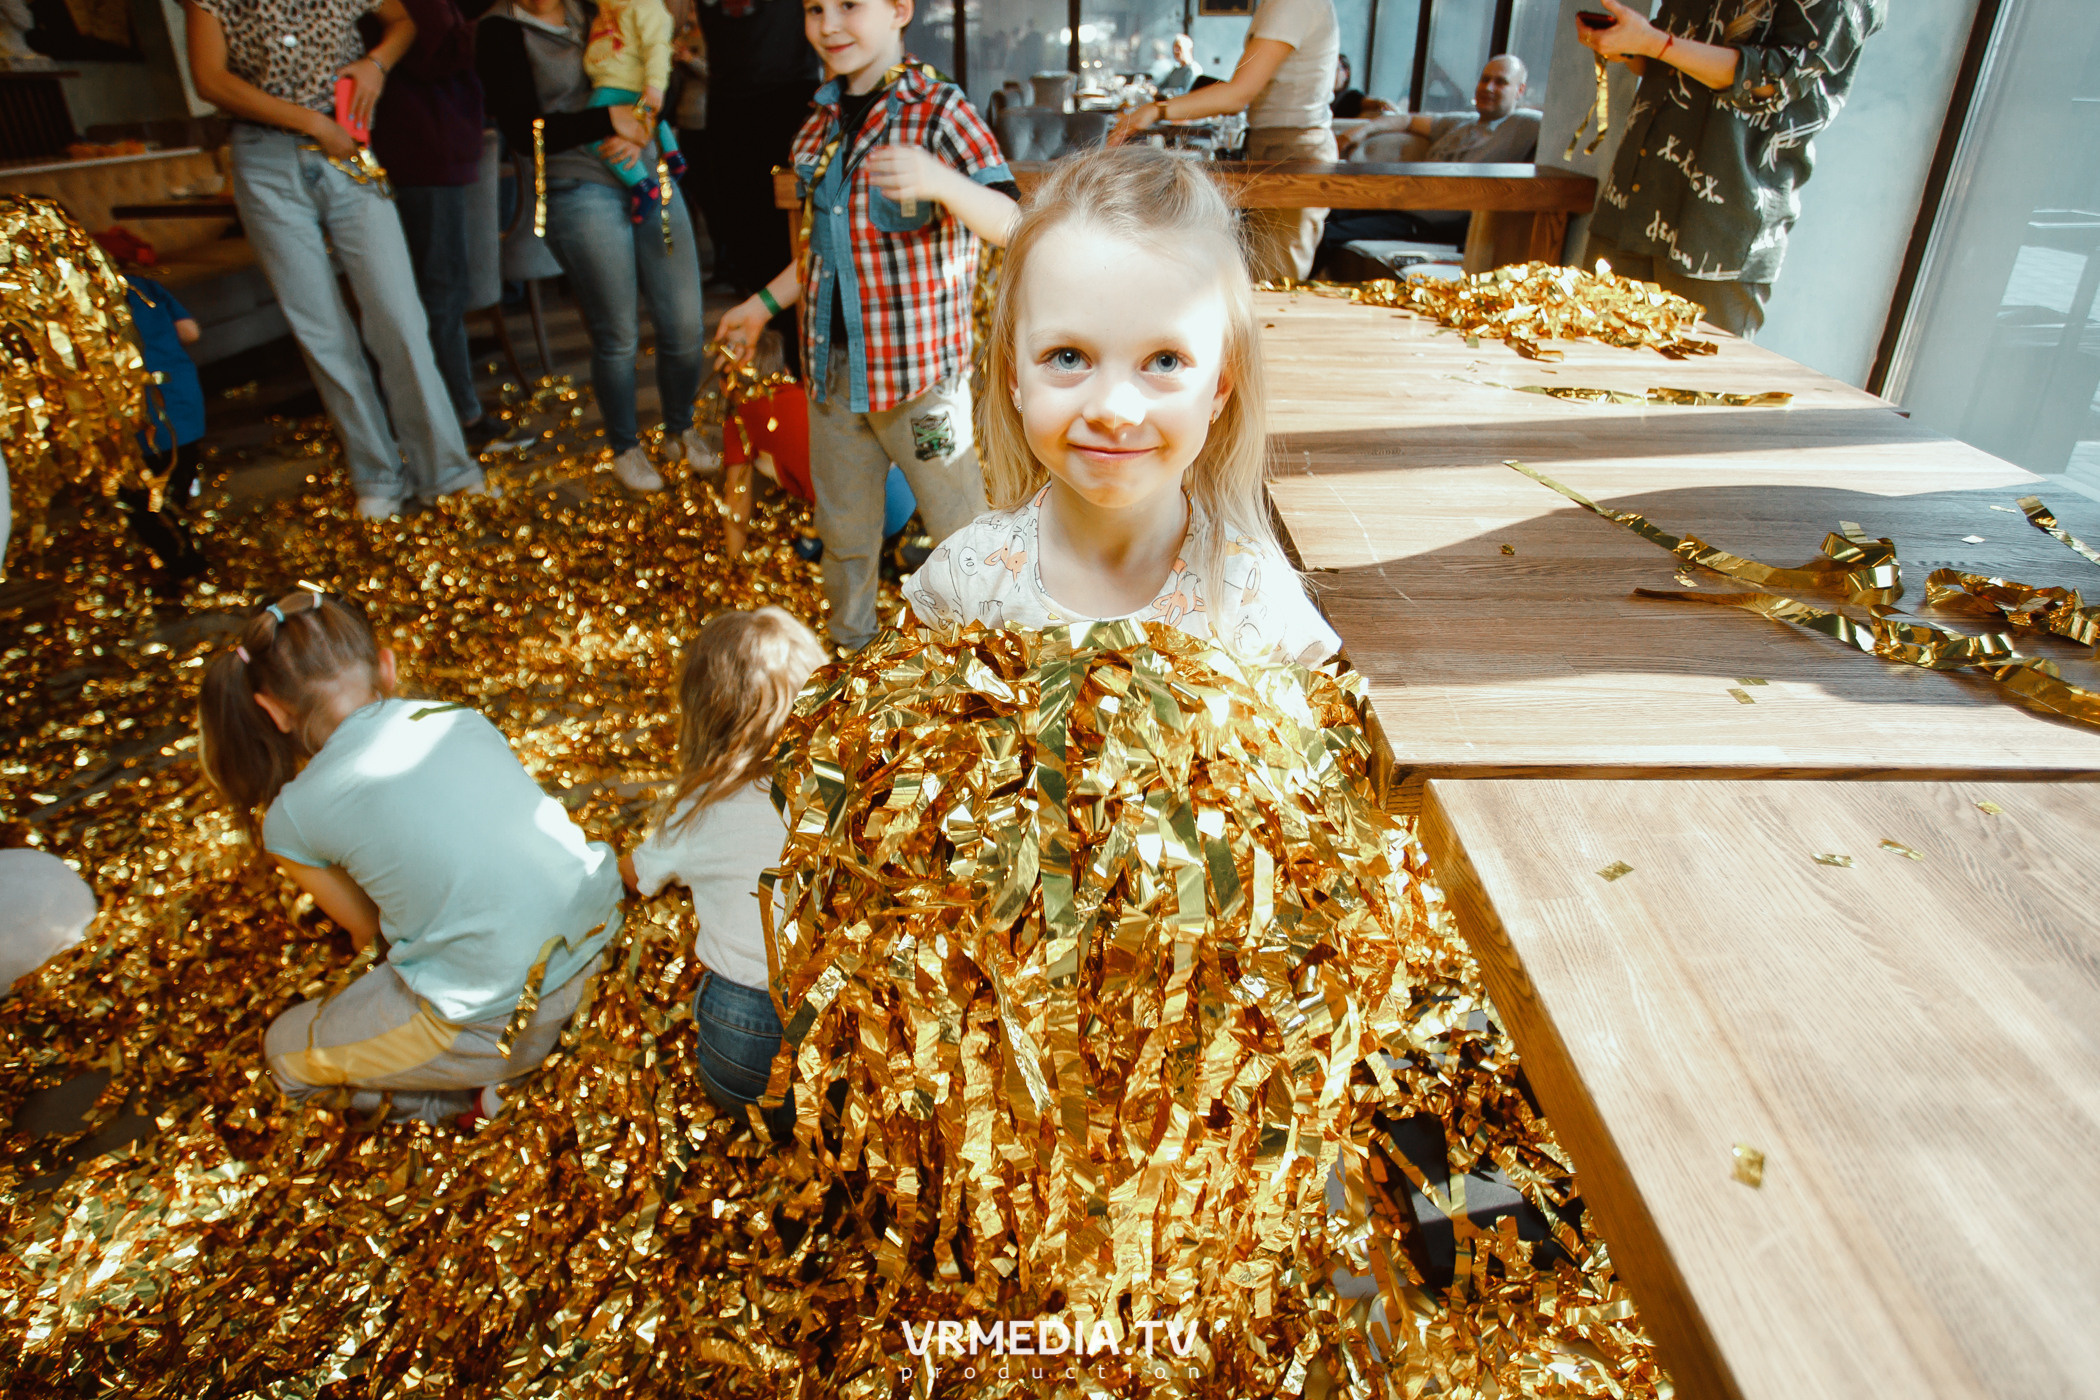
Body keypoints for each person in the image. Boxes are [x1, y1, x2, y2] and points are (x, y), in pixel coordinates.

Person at [903, 145, 1339, 666]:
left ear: (1220, 387)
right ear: (1014, 377)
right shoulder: (963, 583)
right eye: (1068, 356)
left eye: (1164, 361)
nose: (1113, 410)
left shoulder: (1257, 605)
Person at [198, 590, 620, 1124]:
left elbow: (369, 934)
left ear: (272, 710)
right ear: (387, 666)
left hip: (499, 1025)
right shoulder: (458, 717)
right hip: (604, 948)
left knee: (283, 1048)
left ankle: (467, 1097)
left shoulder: (291, 817)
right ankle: (505, 1069)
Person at [714, 0, 1019, 653]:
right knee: (844, 531)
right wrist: (761, 305)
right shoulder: (819, 123)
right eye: (815, 8)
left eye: (850, 5)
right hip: (833, 379)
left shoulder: (939, 111)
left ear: (900, 9)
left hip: (921, 385)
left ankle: (991, 652)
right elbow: (818, 254)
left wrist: (941, 182)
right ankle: (851, 651)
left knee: (960, 520)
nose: (829, 25)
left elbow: (1011, 223)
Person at [184, 0, 484, 520]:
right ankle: (377, 474)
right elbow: (210, 80)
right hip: (266, 157)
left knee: (399, 318)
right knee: (321, 330)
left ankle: (447, 471)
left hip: (349, 144)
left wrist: (376, 64)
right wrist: (309, 122)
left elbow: (403, 20)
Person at [479, 0, 711, 493]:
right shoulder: (500, 30)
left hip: (647, 164)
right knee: (618, 334)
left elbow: (658, 63)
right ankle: (625, 447)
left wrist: (639, 126)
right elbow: (523, 131)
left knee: (686, 323)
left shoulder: (596, 6)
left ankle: (680, 428)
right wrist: (609, 120)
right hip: (577, 184)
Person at [619, 606, 824, 1133]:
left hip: (742, 1036)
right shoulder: (843, 792)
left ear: (702, 714)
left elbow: (638, 877)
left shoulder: (698, 811)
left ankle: (764, 1123)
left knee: (739, 1084)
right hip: (838, 1028)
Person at [1577, 0, 1884, 339]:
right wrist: (1630, 45)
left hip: (1717, 235)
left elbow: (1772, 80)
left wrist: (1653, 43)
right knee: (1588, 361)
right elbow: (1667, 58)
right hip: (1633, 205)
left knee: (1694, 372)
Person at [370, 0, 536, 458]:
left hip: (435, 144)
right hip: (421, 147)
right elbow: (433, 55)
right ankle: (458, 418)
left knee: (443, 289)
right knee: (440, 291)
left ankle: (448, 414)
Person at [1109, 0, 1341, 281]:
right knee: (1257, 276)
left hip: (1293, 149)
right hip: (1279, 143)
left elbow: (1238, 95)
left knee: (1272, 280)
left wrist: (1156, 110)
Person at [1319, 54, 1538, 261]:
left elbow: (1554, 121)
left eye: (1500, 82)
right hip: (1400, 203)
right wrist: (1360, 131)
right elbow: (1407, 120)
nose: (1488, 88)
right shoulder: (1460, 122)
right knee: (1320, 213)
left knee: (1327, 234)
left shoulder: (1522, 125)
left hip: (1431, 223)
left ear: (1520, 90)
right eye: (1485, 79)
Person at [695, 0, 821, 316]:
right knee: (741, 230)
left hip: (789, 92)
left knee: (795, 228)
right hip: (727, 100)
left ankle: (798, 332)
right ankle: (770, 324)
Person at [108, 266, 207, 580]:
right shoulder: (143, 287)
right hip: (180, 405)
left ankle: (183, 568)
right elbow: (190, 332)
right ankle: (193, 556)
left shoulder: (77, 294)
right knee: (179, 490)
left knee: (144, 503)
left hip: (136, 422)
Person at [582, 0, 687, 222]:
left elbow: (658, 47)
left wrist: (655, 84)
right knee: (647, 113)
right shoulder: (609, 5)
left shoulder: (645, 6)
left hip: (619, 82)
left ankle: (640, 183)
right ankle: (673, 156)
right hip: (617, 77)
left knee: (591, 131)